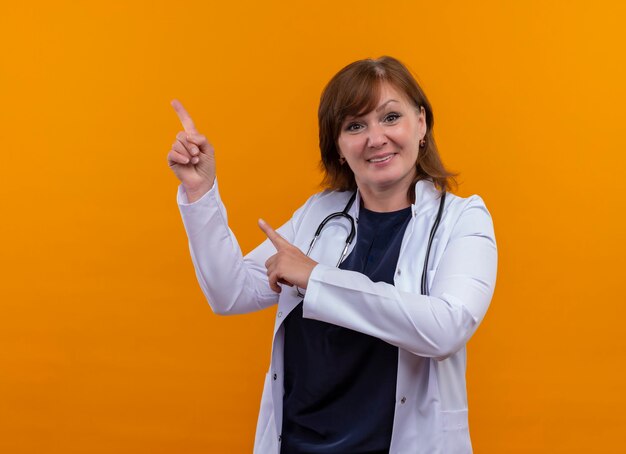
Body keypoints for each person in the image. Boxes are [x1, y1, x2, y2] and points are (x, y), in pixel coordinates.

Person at [167, 56, 497, 454]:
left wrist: (316, 277)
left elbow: (445, 329)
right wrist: (201, 192)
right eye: (354, 126)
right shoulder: (318, 214)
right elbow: (230, 293)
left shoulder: (462, 219)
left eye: (390, 117)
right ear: (339, 147)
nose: (375, 138)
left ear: (422, 124)